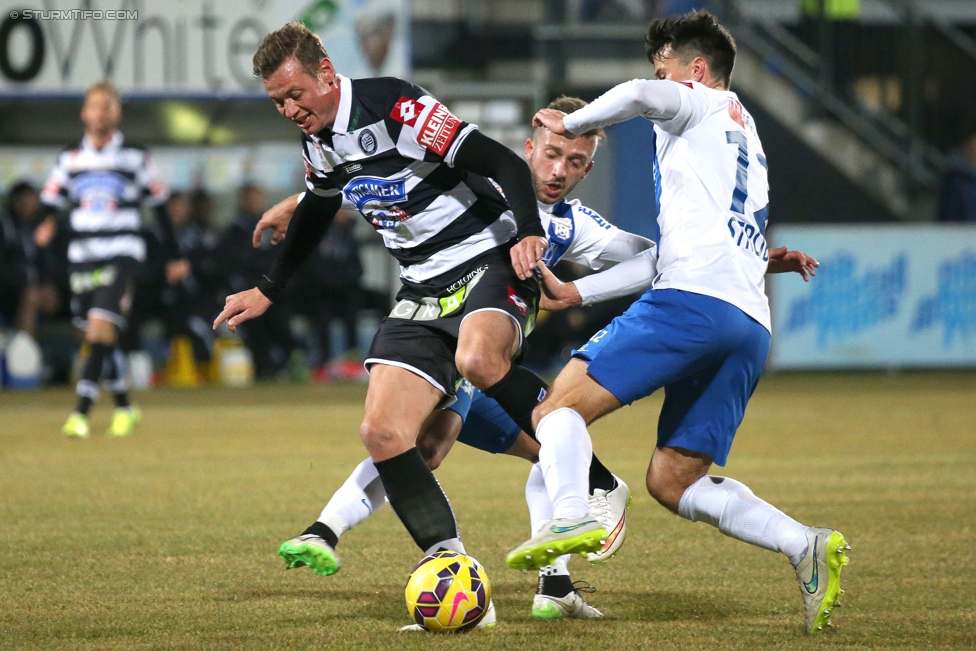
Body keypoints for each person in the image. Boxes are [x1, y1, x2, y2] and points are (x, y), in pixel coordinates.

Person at [259, 95, 818, 623]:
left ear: (586, 171)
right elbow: (376, 177)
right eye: (551, 153)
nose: (558, 169)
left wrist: (744, 263)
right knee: (418, 442)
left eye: (575, 162)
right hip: (441, 335)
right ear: (528, 147)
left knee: (519, 447)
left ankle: (554, 584)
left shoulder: (575, 227)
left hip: (483, 358)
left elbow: (655, 258)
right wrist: (297, 204)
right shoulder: (476, 177)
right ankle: (329, 532)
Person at [506, 10, 848, 636]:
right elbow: (699, 236)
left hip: (692, 302)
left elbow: (636, 97)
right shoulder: (749, 134)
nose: (655, 81)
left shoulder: (694, 101)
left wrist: (571, 120)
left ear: (693, 69)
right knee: (673, 480)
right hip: (748, 322)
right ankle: (806, 545)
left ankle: (575, 515)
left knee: (555, 411)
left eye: (662, 68)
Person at [213, 23, 554, 604]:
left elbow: (501, 160)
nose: (289, 109)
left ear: (325, 71)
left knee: (479, 369)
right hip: (422, 285)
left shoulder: (395, 103)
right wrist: (270, 287)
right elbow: (322, 206)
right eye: (277, 102)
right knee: (384, 433)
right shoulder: (318, 140)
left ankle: (593, 481)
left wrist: (526, 230)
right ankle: (455, 575)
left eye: (294, 94)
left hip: (487, 260)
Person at [41, 81, 190, 438]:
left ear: (117, 113)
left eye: (107, 106)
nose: (100, 113)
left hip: (123, 254)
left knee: (98, 328)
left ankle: (80, 413)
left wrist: (174, 256)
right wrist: (46, 223)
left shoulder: (136, 156)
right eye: (95, 106)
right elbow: (50, 202)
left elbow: (160, 209)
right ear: (84, 112)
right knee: (99, 335)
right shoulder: (70, 158)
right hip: (82, 256)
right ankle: (124, 406)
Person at [216, 183, 298, 378]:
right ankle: (262, 369)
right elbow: (232, 261)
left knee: (282, 329)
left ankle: (284, 366)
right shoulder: (236, 230)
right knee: (257, 332)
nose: (255, 202)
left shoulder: (275, 225)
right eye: (251, 198)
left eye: (258, 197)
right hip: (251, 289)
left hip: (276, 289)